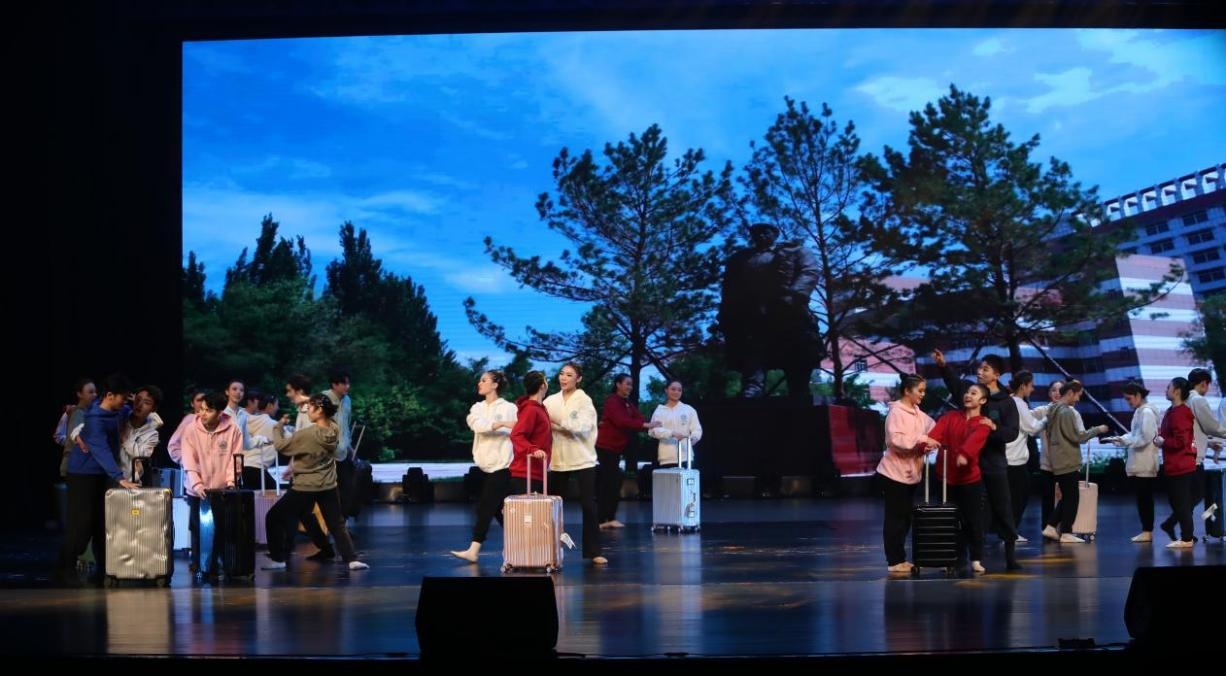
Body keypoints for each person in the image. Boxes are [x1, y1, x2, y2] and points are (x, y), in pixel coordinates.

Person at [262, 393, 368, 571]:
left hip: (305, 486)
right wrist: (309, 400)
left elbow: (281, 446)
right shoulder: (334, 428)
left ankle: (278, 559)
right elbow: (329, 414)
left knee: (273, 517)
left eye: (310, 408)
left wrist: (278, 426)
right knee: (335, 523)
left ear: (319, 410)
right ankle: (351, 559)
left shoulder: (308, 434)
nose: (307, 411)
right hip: (328, 485)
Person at [934, 350, 1020, 565]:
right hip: (969, 466)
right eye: (980, 368)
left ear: (997, 375)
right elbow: (954, 384)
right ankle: (966, 557)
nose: (980, 372)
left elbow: (1012, 433)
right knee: (968, 513)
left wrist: (994, 428)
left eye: (985, 369)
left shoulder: (1006, 402)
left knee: (1002, 508)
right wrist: (943, 366)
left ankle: (1010, 556)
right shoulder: (970, 391)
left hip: (993, 464)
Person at [719, 222, 823, 399]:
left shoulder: (796, 251)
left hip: (787, 309)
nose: (761, 236)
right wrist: (727, 309)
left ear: (775, 234)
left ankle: (799, 388)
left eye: (765, 232)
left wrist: (794, 295)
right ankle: (753, 386)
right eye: (756, 233)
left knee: (797, 349)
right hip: (752, 311)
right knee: (752, 349)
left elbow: (809, 271)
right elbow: (729, 284)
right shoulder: (740, 258)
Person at [54, 374, 139, 585]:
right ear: (109, 395)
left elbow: (134, 413)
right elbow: (101, 450)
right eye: (122, 398)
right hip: (83, 474)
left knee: (103, 524)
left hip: (101, 475)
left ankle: (102, 570)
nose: (124, 402)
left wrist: (136, 401)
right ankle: (64, 568)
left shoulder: (117, 411)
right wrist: (119, 477)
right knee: (82, 526)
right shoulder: (94, 420)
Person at [928, 383, 999, 573]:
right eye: (967, 392)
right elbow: (935, 434)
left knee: (973, 521)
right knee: (949, 521)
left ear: (982, 400)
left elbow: (976, 440)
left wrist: (965, 454)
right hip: (946, 478)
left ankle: (975, 558)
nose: (968, 395)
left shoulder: (983, 423)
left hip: (969, 479)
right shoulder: (950, 417)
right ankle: (953, 559)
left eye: (973, 393)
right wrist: (929, 442)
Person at [451, 370, 518, 563]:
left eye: (484, 380)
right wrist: (500, 424)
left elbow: (517, 427)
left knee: (485, 507)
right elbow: (477, 425)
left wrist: (501, 424)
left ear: (495, 385)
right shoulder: (477, 407)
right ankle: (521, 543)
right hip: (483, 465)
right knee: (497, 508)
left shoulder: (509, 407)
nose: (479, 383)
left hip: (503, 465)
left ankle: (474, 549)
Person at [543, 363, 606, 566]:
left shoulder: (584, 400)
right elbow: (543, 422)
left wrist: (557, 423)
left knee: (588, 505)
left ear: (578, 379)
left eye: (569, 375)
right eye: (562, 374)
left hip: (583, 458)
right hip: (559, 459)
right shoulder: (551, 400)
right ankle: (548, 549)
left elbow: (582, 427)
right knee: (551, 506)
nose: (564, 378)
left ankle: (593, 551)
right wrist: (558, 425)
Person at [876, 374, 938, 573]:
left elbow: (934, 430)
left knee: (904, 519)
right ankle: (894, 561)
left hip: (910, 474)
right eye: (920, 390)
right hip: (893, 474)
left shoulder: (918, 413)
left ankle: (900, 559)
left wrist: (929, 443)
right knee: (895, 519)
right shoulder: (896, 412)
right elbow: (896, 441)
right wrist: (923, 440)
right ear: (907, 391)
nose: (923, 394)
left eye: (924, 390)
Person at [179, 391, 244, 572]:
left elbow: (236, 459)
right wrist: (197, 484)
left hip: (222, 489)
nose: (203, 413)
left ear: (220, 412)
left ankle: (217, 565)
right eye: (202, 409)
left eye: (208, 410)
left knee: (221, 528)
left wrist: (231, 482)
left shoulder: (233, 429)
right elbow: (189, 460)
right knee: (198, 529)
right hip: (197, 490)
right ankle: (200, 566)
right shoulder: (191, 429)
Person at [1040, 380, 1110, 544]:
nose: (1078, 399)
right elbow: (1078, 437)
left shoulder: (1053, 410)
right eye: (1078, 395)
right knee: (1072, 498)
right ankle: (1066, 532)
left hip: (1059, 459)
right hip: (1067, 459)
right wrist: (1098, 429)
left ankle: (1051, 526)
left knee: (1067, 497)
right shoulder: (1066, 412)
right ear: (1071, 392)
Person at [595, 374, 659, 530]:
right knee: (611, 481)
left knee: (613, 481)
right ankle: (602, 519)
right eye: (627, 384)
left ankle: (608, 518)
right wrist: (645, 425)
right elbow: (622, 421)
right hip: (605, 446)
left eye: (631, 384)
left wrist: (649, 424)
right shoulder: (612, 401)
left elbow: (639, 418)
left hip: (615, 448)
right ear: (618, 384)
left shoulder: (627, 403)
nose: (630, 387)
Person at [1104, 381, 1161, 543]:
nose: (1128, 402)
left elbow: (1145, 437)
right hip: (1140, 461)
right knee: (1143, 498)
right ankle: (1146, 531)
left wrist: (1125, 441)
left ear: (1138, 395)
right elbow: (1135, 435)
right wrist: (1120, 439)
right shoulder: (1140, 412)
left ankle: (1147, 531)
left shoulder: (1146, 412)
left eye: (1129, 398)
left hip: (1145, 462)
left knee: (1145, 499)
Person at [1155, 377, 1198, 549]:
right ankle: (1186, 537)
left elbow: (1181, 441)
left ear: (1177, 390)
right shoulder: (1171, 411)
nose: (1166, 390)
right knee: (1177, 503)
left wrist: (1163, 442)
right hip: (1173, 465)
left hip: (1181, 465)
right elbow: (1166, 434)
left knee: (1181, 503)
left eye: (1168, 387)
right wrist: (1159, 439)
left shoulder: (1181, 413)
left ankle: (1187, 538)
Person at [1006, 371, 1046, 542]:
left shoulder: (1009, 401)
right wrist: (1046, 419)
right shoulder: (1019, 403)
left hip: (1008, 456)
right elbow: (1032, 428)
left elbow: (1026, 418)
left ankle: (1008, 531)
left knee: (1012, 497)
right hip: (1014, 458)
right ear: (1023, 386)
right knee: (1019, 497)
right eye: (1031, 385)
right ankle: (1010, 532)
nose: (1033, 389)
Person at [648, 381, 703, 469]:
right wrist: (671, 433)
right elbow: (653, 431)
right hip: (666, 458)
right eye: (673, 389)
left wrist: (694, 438)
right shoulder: (659, 411)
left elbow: (696, 428)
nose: (676, 392)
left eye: (679, 390)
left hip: (686, 457)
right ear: (666, 390)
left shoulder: (689, 410)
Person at [325, 368, 355, 517]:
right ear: (334, 384)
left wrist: (349, 446)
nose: (347, 386)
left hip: (343, 451)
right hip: (328, 453)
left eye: (348, 383)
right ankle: (331, 522)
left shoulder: (347, 400)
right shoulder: (324, 399)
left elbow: (346, 425)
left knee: (347, 489)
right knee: (329, 490)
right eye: (344, 383)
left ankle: (342, 522)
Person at [118, 386, 164, 482]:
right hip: (109, 477)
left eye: (146, 403)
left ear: (154, 408)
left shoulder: (152, 434)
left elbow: (141, 455)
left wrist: (125, 439)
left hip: (131, 481)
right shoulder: (121, 417)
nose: (139, 404)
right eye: (138, 399)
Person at [54, 378, 97, 478]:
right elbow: (76, 439)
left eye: (95, 392)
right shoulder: (78, 413)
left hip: (79, 466)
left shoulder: (87, 413)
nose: (94, 395)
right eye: (90, 392)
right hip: (74, 467)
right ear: (79, 394)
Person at [244, 392, 286, 489]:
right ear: (270, 405)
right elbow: (292, 439)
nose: (278, 408)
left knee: (253, 497)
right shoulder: (273, 425)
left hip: (244, 466)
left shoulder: (246, 420)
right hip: (258, 467)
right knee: (275, 494)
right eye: (277, 405)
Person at [167, 390, 207, 465]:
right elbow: (173, 445)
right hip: (193, 469)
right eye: (199, 400)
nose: (202, 402)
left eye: (204, 400)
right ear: (192, 404)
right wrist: (186, 462)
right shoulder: (190, 419)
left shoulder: (214, 421)